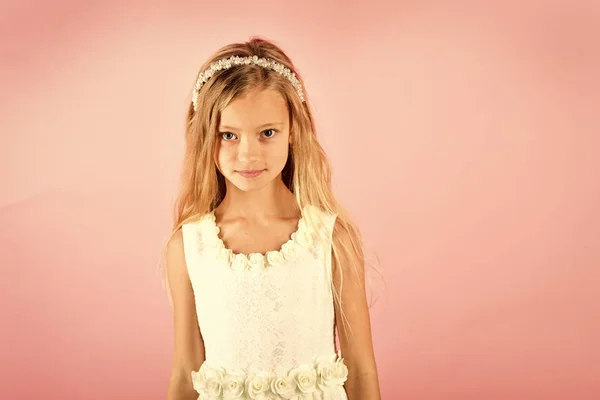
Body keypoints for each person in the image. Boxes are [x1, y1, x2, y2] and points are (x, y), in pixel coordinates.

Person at [164, 37, 381, 400]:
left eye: (267, 133)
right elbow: (186, 373)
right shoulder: (188, 246)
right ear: (207, 138)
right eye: (228, 135)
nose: (248, 154)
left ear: (293, 130)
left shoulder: (330, 239)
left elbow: (360, 370)